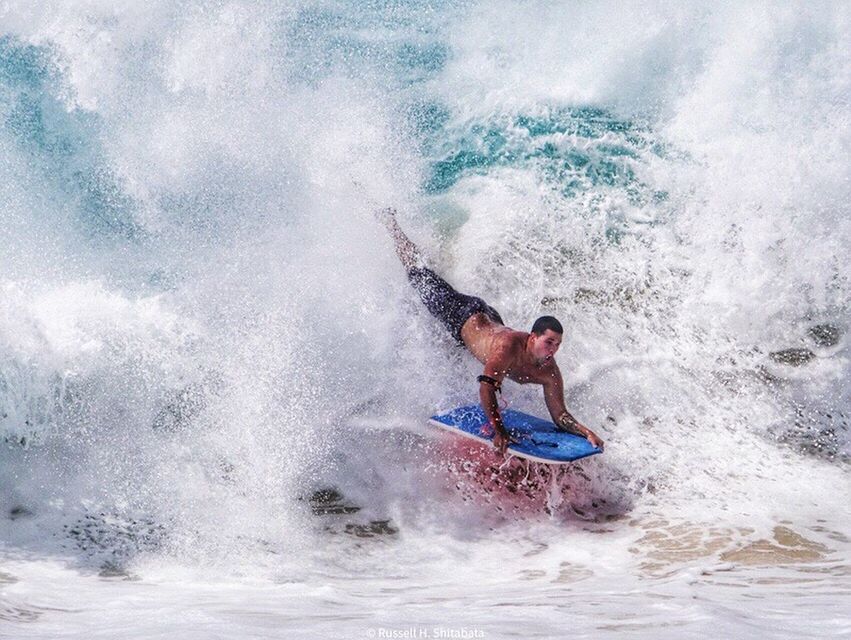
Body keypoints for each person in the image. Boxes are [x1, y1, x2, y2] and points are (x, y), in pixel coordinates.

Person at [377, 208, 605, 455]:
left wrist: (585, 431)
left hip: (490, 319)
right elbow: (486, 387)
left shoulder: (550, 372)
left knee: (474, 356)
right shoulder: (507, 348)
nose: (553, 349)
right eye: (549, 342)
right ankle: (392, 226)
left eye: (558, 344)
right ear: (533, 337)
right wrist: (499, 431)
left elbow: (560, 415)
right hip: (463, 315)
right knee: (421, 278)